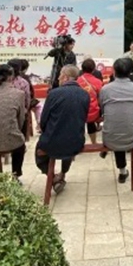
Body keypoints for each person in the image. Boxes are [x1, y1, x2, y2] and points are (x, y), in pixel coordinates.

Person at [36, 65, 90, 194]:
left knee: (40, 153)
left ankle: (54, 178)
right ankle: (62, 174)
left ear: (65, 77)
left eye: (60, 75)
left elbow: (43, 120)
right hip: (76, 141)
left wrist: (45, 130)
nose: (58, 78)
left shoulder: (54, 94)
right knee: (69, 138)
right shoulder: (85, 94)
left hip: (52, 142)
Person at [99, 58, 133, 183]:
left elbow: (103, 109)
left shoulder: (105, 89)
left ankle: (122, 171)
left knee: (116, 128)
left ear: (114, 71)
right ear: (131, 71)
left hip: (110, 137)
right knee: (126, 126)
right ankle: (124, 171)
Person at [76, 58, 103, 144]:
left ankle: (79, 142)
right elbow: (100, 97)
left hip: (80, 111)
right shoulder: (98, 82)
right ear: (94, 69)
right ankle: (94, 142)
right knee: (91, 123)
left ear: (82, 69)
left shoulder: (77, 81)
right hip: (94, 112)